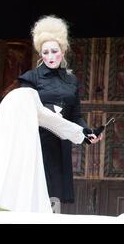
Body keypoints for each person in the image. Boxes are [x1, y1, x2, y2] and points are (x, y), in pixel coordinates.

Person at [17, 15, 102, 205]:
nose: (49, 56)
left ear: (62, 51)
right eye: (45, 52)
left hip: (60, 146)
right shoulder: (30, 78)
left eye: (53, 51)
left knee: (54, 199)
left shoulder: (71, 81)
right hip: (36, 144)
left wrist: (88, 132)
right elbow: (22, 115)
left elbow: (76, 116)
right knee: (33, 196)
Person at [0, 87, 92, 212]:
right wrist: (82, 134)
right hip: (22, 154)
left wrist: (81, 134)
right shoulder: (29, 98)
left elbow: (51, 119)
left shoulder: (9, 104)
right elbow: (51, 120)